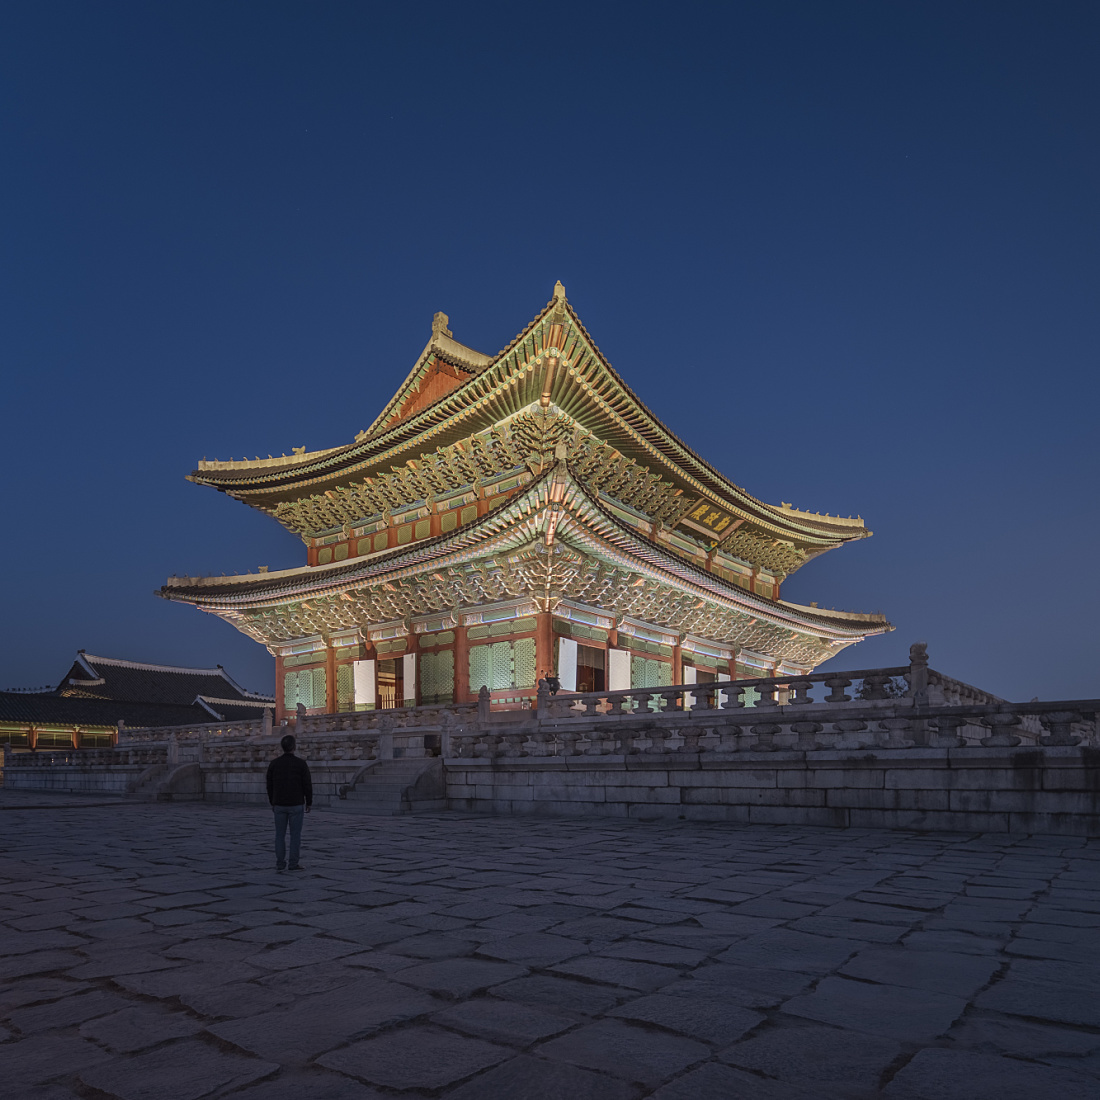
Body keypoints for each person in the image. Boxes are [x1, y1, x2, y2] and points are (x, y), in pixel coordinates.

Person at [266, 734, 312, 871]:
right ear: (294, 747)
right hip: (296, 804)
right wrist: (308, 802)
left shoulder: (274, 764)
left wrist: (272, 801)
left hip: (279, 804)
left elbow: (269, 785)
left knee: (279, 835)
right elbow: (307, 784)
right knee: (295, 835)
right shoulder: (301, 764)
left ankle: (280, 863)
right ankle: (293, 863)